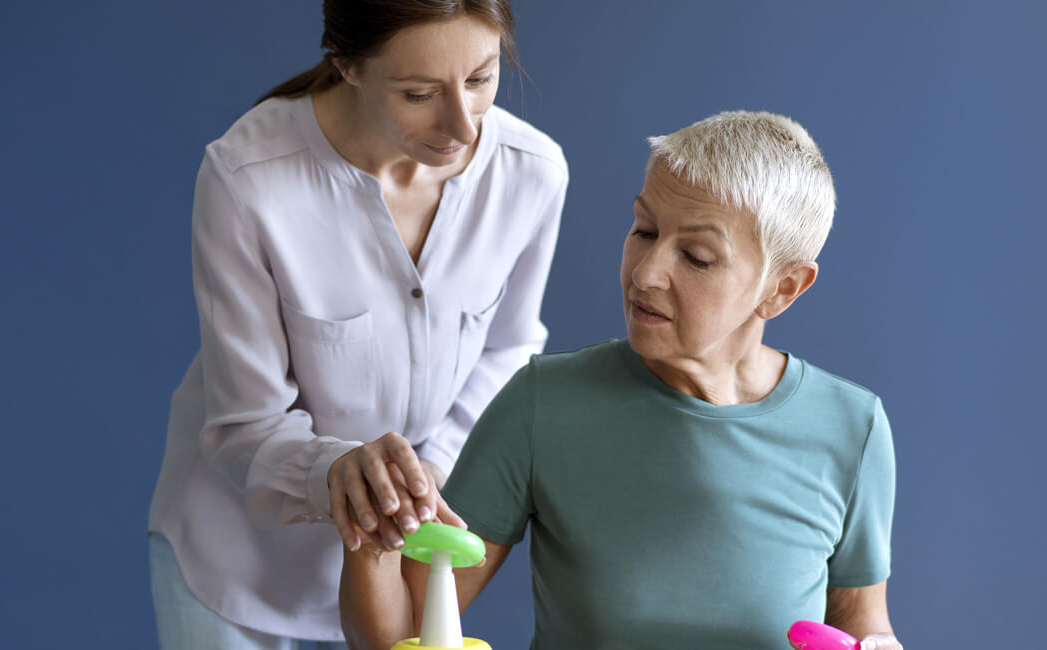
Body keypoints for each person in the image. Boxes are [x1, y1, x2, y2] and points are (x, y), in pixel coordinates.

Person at [340, 111, 903, 650]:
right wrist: (371, 538)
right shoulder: (543, 403)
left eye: (698, 257)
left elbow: (863, 628)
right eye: (644, 229)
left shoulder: (853, 429)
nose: (646, 272)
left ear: (783, 289)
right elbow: (403, 634)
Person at [146, 0, 568, 648]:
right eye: (420, 93)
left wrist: (433, 469)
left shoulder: (532, 173)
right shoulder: (247, 181)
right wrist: (334, 470)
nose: (461, 124)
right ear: (346, 66)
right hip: (241, 572)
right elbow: (241, 425)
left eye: (482, 78)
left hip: (402, 580)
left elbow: (509, 347)